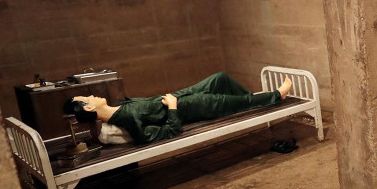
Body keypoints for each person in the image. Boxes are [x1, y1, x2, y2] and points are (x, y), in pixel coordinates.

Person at [64, 72, 293, 144]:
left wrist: (172, 99)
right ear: (88, 109)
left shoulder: (119, 108)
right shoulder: (129, 119)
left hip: (177, 97)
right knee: (223, 101)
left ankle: (250, 100)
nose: (92, 94)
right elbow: (170, 131)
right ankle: (276, 96)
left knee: (220, 78)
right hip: (186, 108)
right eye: (87, 97)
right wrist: (173, 108)